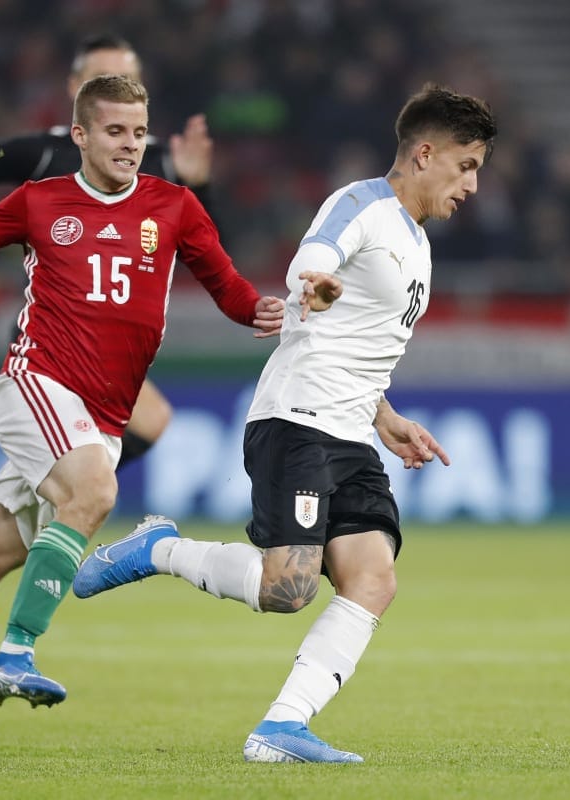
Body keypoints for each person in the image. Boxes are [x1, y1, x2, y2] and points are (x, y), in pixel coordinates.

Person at [73, 83, 497, 762]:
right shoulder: (361, 204)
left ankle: (281, 727)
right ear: (424, 154)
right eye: (467, 165)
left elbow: (360, 344)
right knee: (289, 588)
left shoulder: (417, 244)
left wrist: (386, 417)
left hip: (353, 429)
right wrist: (316, 283)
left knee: (373, 578)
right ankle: (158, 550)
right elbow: (313, 259)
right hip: (298, 419)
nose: (472, 185)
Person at [0, 74, 284, 710]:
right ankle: (14, 655)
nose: (131, 144)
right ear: (79, 135)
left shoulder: (175, 206)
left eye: (139, 132)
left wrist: (260, 312)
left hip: (101, 419)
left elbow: (227, 287)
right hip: (37, 384)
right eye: (115, 131)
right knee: (95, 492)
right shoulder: (38, 202)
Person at [0, 33, 216, 674]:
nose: (119, 97)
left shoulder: (154, 159)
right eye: (104, 78)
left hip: (115, 349)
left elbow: (197, 245)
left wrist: (197, 183)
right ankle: (54, 521)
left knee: (139, 434)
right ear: (79, 94)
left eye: (128, 78)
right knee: (96, 476)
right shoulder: (45, 151)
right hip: (54, 340)